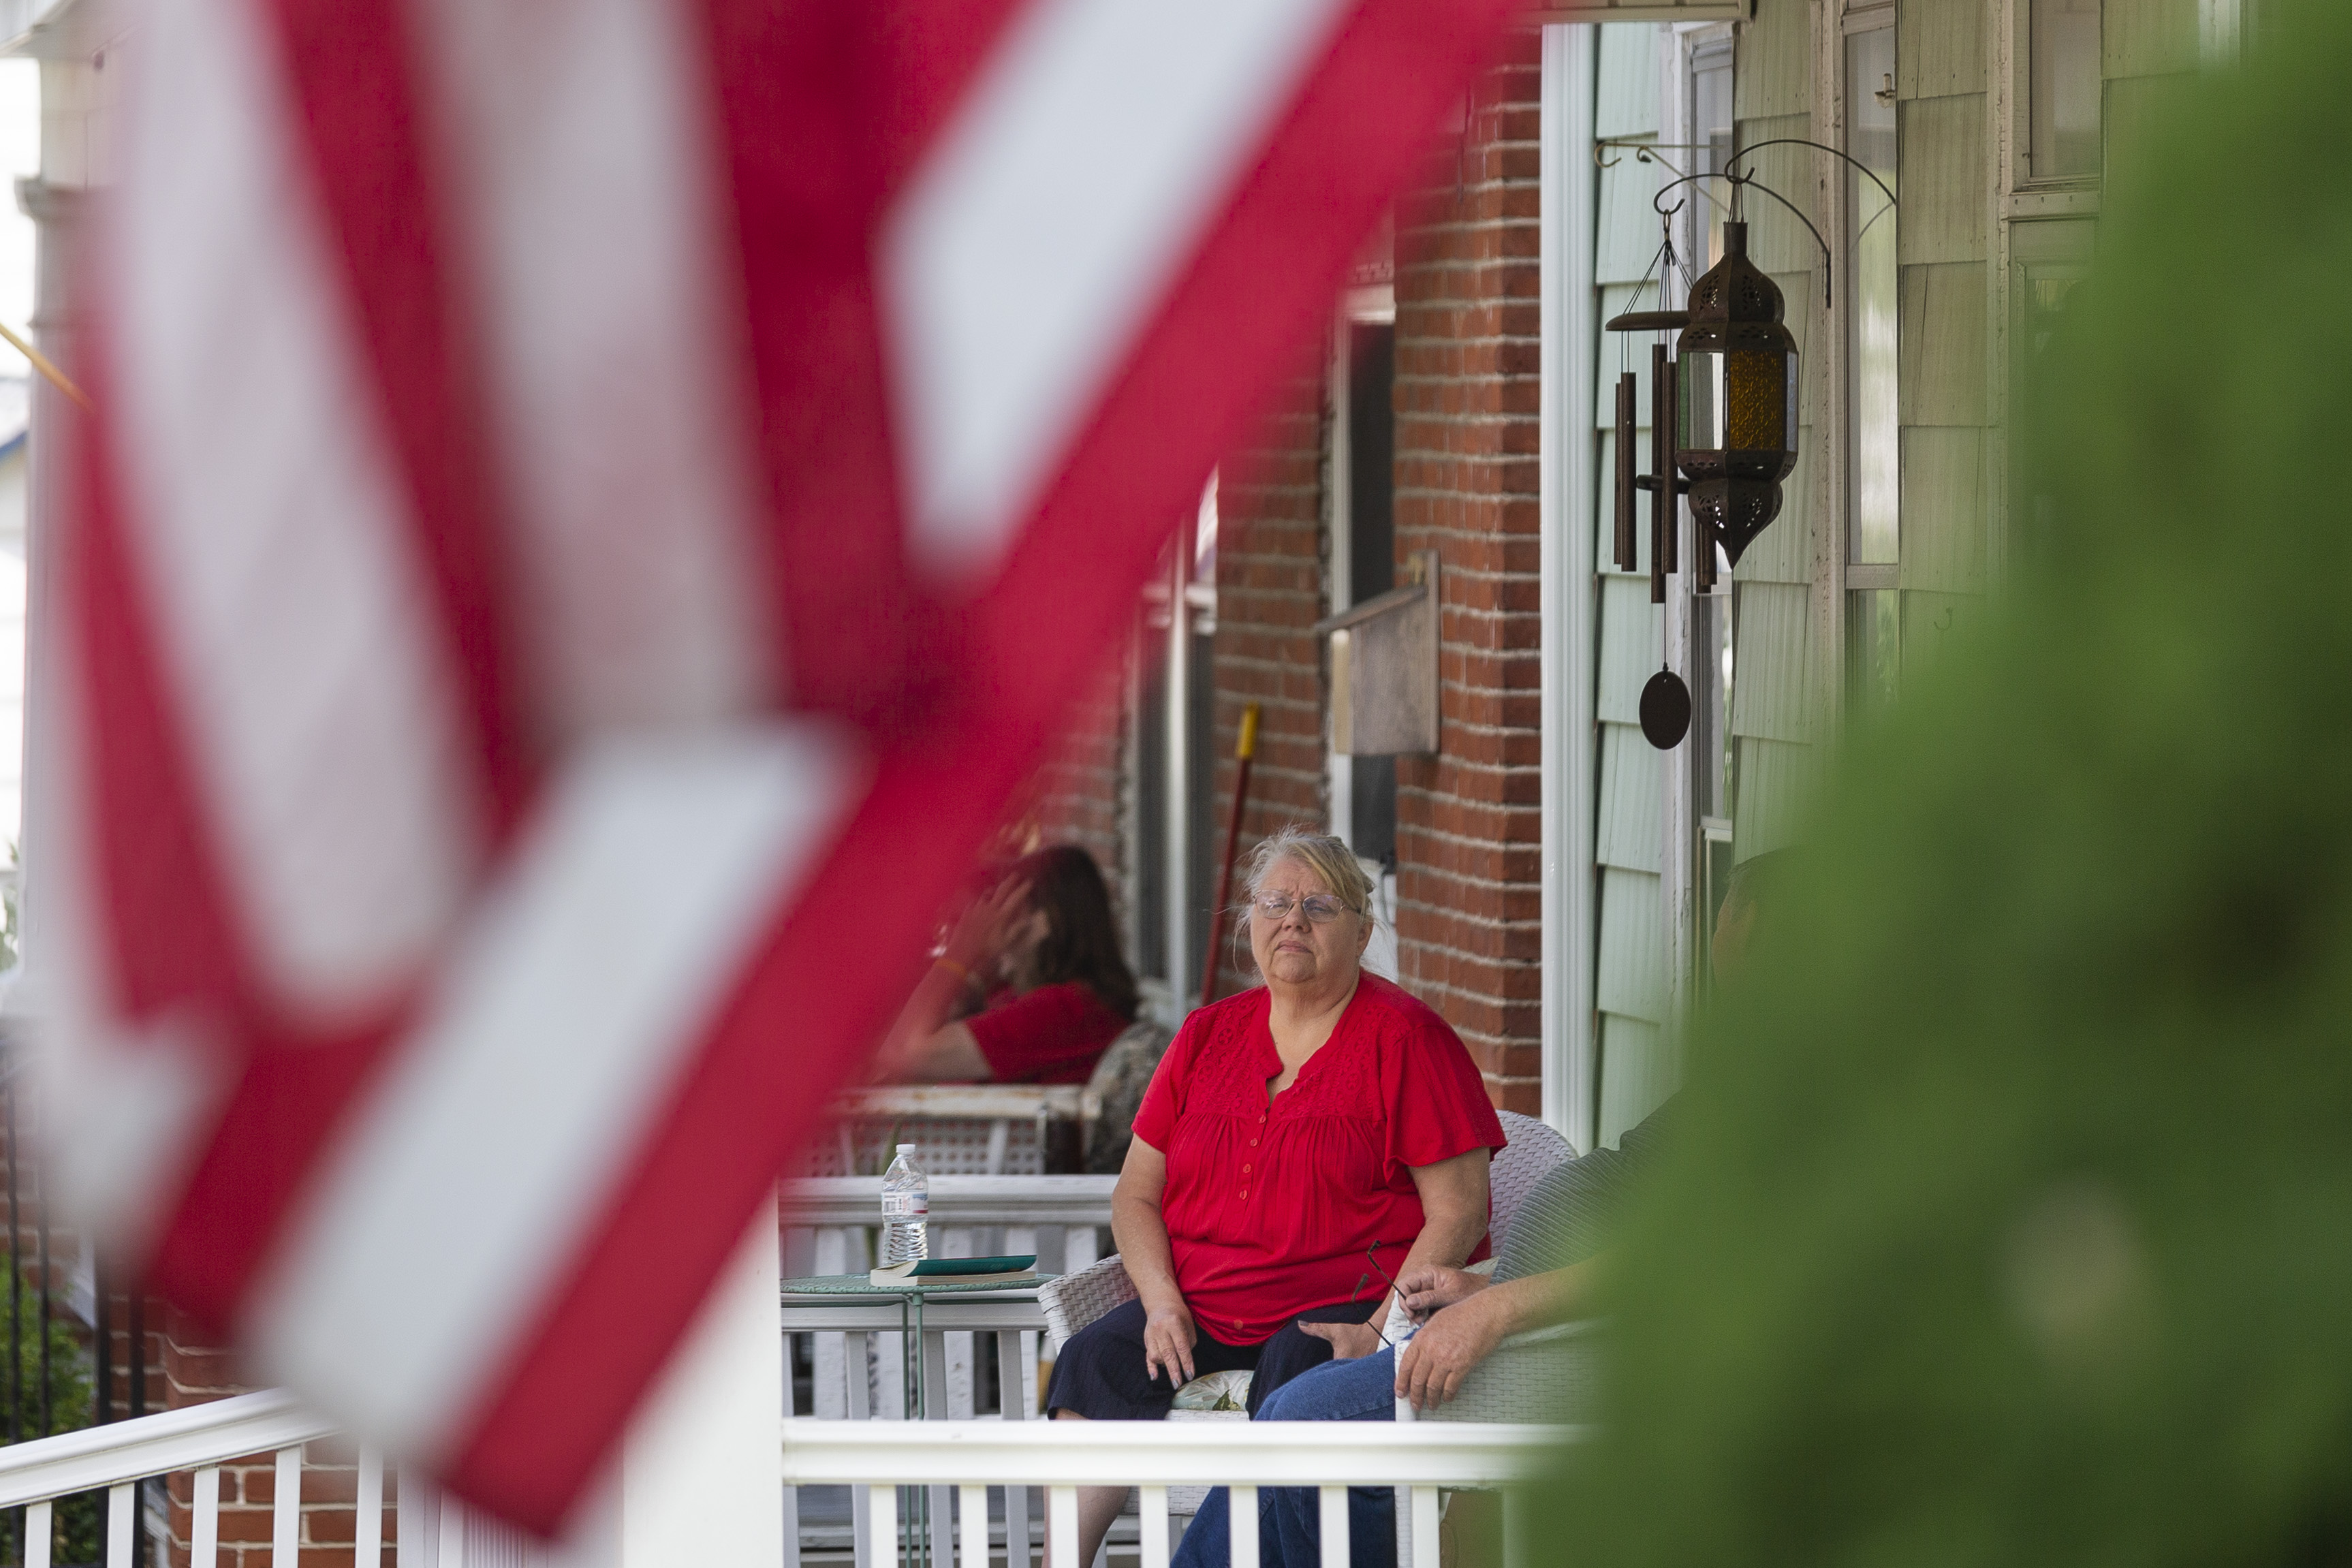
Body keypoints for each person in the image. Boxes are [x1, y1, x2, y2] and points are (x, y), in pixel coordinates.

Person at [1171, 852, 1787, 1568]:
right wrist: (1485, 1288)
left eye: (1740, 958)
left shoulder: (1799, 1093)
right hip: (1521, 1324)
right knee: (1312, 1427)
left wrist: (1497, 1311)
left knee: (1306, 1420)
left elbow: (1683, 1252)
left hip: (1562, 1349)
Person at [1046, 828, 1505, 1568]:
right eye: (1276, 902)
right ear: (1250, 923)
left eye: (1320, 905)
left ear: (1362, 930)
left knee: (1302, 1376)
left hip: (1331, 1311)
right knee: (1093, 1359)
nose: (1294, 920)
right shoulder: (1205, 1036)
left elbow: (1461, 1210)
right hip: (1196, 1309)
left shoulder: (1409, 1040)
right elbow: (1136, 1194)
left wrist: (1380, 1332)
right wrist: (1161, 1300)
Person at [875, 845, 1140, 1085]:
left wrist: (962, 951)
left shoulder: (1062, 1009)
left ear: (1045, 923)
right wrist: (977, 974)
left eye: (1006, 913)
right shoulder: (1040, 1000)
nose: (992, 928)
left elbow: (901, 1054)